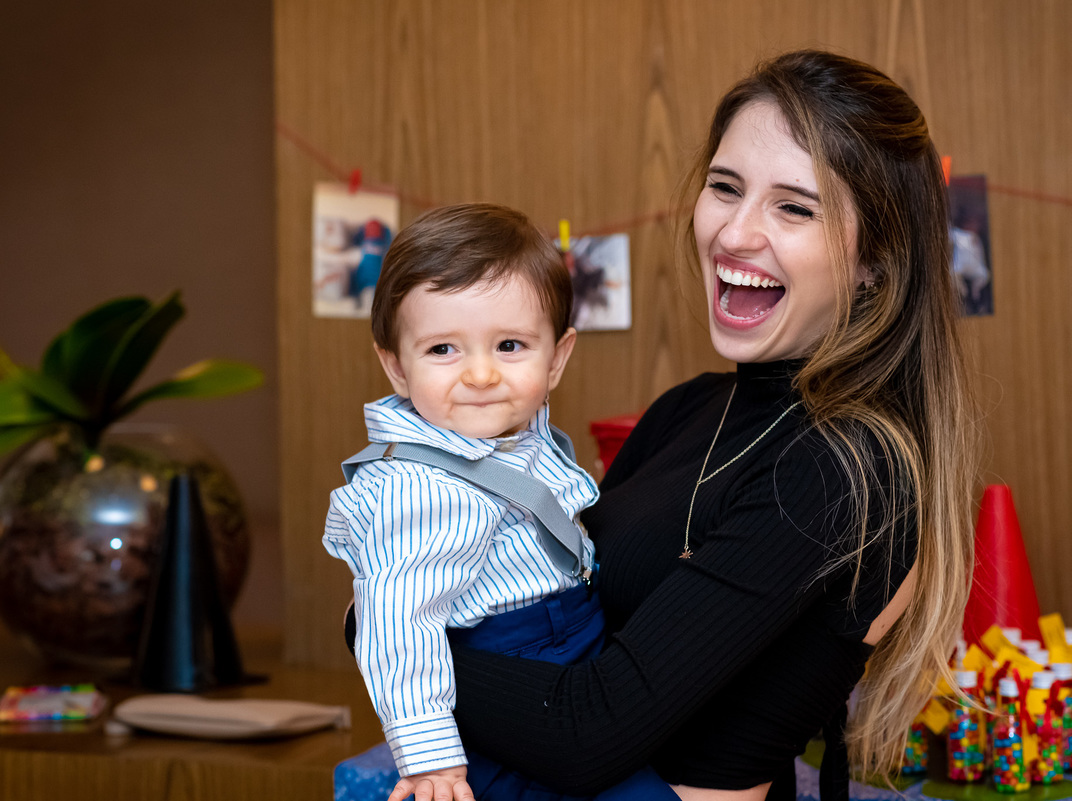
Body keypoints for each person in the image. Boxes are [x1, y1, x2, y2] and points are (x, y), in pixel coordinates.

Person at [407, 49, 979, 801]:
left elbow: (588, 730)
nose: (735, 234)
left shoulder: (847, 467)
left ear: (876, 258)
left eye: (794, 207)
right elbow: (560, 624)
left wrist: (387, 638)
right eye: (725, 187)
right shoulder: (688, 408)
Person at [324, 203, 608, 801]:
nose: (479, 375)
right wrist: (430, 759)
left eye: (509, 345)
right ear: (396, 367)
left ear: (556, 358)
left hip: (572, 653)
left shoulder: (512, 433)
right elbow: (398, 623)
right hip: (512, 665)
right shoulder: (423, 490)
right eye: (443, 351)